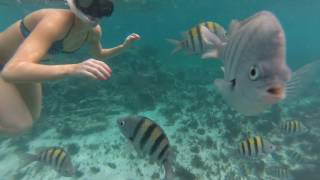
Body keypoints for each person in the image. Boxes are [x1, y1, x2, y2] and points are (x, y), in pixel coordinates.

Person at [0, 0, 140, 135]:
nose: (95, 10)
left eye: (104, 4)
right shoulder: (55, 21)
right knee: (19, 125)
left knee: (33, 115)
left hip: (19, 66)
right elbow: (12, 70)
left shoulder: (93, 31)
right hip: (10, 65)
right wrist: (73, 69)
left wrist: (123, 47)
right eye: (87, 2)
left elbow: (99, 54)